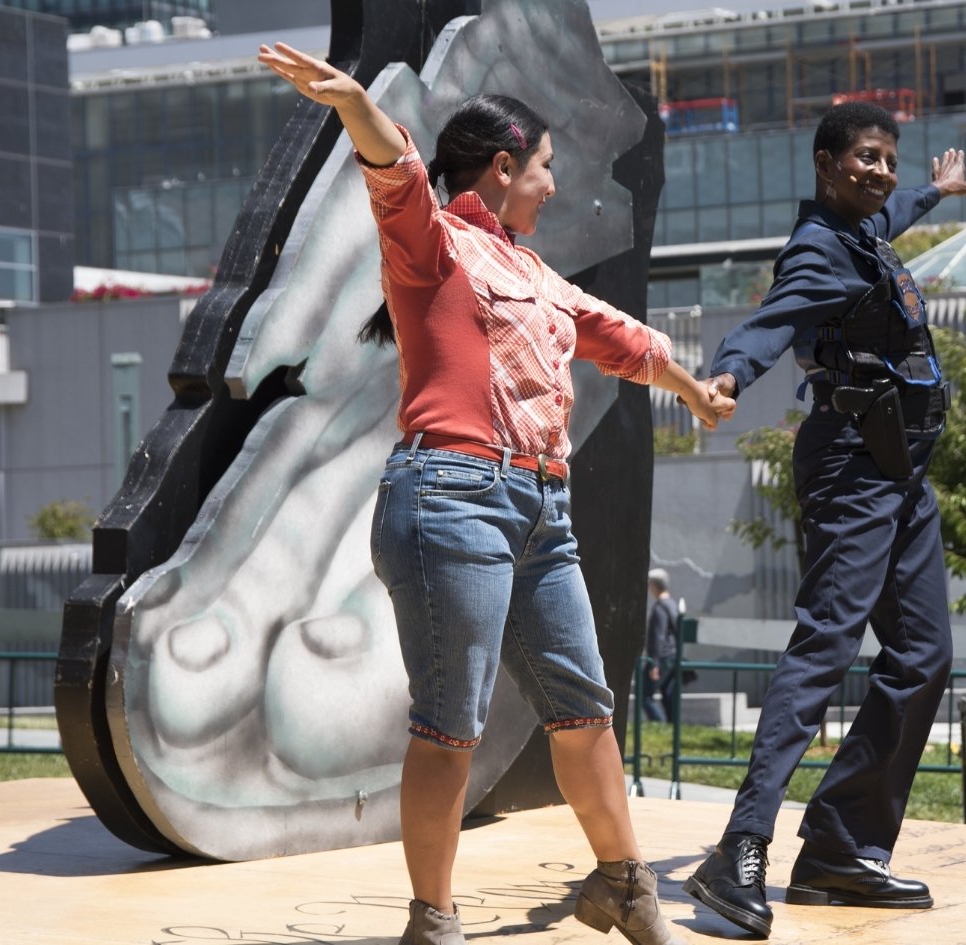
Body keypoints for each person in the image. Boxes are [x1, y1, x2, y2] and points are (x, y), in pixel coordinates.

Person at [257, 42, 733, 945]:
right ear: (504, 167)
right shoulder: (433, 244)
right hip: (452, 498)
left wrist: (696, 390)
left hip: (540, 511)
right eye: (547, 168)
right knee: (451, 721)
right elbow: (393, 168)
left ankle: (624, 885)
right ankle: (432, 921)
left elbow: (625, 340)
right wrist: (355, 103)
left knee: (584, 702)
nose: (554, 186)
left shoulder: (536, 275)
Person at [683, 102, 966, 938]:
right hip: (854, 466)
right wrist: (728, 376)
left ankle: (841, 847)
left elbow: (896, 210)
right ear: (824, 164)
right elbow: (769, 322)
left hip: (903, 473)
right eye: (866, 159)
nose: (881, 171)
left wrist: (937, 189)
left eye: (890, 158)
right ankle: (738, 846)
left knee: (924, 655)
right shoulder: (819, 249)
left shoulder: (868, 228)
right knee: (826, 646)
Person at [640, 569, 679, 724]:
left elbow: (658, 635)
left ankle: (660, 724)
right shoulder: (672, 604)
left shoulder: (660, 607)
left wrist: (654, 663)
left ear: (655, 585)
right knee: (668, 693)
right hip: (672, 656)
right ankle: (672, 726)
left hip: (661, 657)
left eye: (650, 584)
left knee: (644, 695)